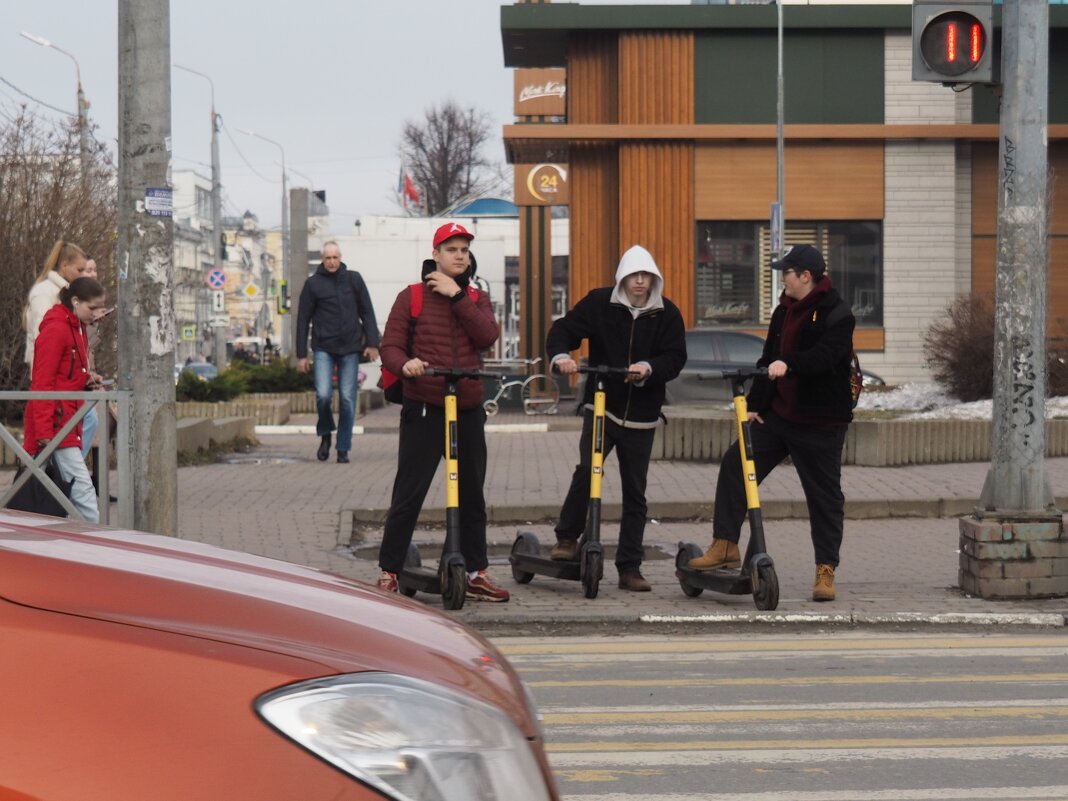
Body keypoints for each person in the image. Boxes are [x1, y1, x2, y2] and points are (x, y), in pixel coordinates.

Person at [687, 244, 855, 602]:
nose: (784, 279)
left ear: (805, 276)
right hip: (780, 416)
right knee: (736, 464)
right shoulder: (784, 310)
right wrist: (754, 405)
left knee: (824, 499)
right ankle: (725, 544)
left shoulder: (837, 313)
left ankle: (825, 571)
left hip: (820, 422)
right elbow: (768, 360)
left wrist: (790, 363)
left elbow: (826, 357)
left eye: (787, 273)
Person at [375, 222, 509, 602]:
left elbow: (487, 335)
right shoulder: (412, 296)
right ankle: (390, 571)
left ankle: (475, 571)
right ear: (436, 254)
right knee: (409, 492)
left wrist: (457, 297)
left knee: (472, 494)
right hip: (425, 405)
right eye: (452, 249)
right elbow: (391, 346)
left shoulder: (477, 297)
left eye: (464, 249)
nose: (460, 255)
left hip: (466, 406)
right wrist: (406, 366)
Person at [546, 244, 687, 592]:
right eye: (633, 276)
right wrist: (563, 355)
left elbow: (675, 357)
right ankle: (567, 537)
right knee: (587, 473)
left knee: (635, 491)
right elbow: (563, 330)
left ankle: (629, 566)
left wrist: (649, 368)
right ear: (622, 277)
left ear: (654, 279)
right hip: (602, 404)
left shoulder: (666, 313)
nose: (639, 282)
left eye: (646, 276)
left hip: (642, 415)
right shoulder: (599, 303)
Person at [23, 277, 108, 524]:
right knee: (82, 490)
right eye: (91, 308)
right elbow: (42, 382)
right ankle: (93, 545)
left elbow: (62, 375)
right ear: (75, 301)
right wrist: (43, 430)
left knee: (56, 488)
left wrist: (85, 379)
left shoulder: (76, 327)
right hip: (57, 425)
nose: (95, 314)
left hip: (65, 421)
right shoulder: (58, 329)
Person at [295, 241, 380, 464]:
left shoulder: (354, 279)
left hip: (351, 347)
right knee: (323, 394)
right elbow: (303, 319)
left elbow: (367, 312)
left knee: (347, 399)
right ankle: (325, 434)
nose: (332, 262)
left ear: (340, 257)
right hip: (323, 347)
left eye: (335, 257)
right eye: (327, 258)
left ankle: (343, 447)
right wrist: (301, 355)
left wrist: (372, 344)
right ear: (322, 260)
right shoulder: (313, 284)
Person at [24, 239, 87, 368]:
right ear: (64, 266)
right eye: (79, 270)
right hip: (50, 371)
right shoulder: (44, 292)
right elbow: (42, 337)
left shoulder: (69, 292)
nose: (83, 275)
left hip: (66, 370)